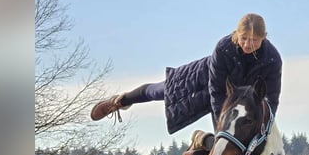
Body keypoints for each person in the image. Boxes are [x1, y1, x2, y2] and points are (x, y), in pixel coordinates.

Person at [90, 13, 282, 135]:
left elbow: (271, 99)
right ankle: (121, 101)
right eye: (244, 39)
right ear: (236, 34)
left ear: (264, 37)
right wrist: (220, 129)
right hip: (203, 80)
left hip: (239, 95)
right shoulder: (223, 48)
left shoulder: (272, 59)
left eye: (255, 40)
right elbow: (216, 94)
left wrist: (264, 127)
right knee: (161, 91)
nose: (248, 44)